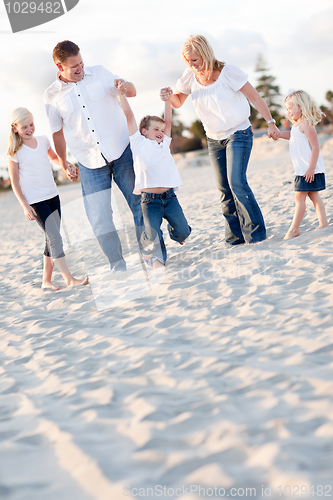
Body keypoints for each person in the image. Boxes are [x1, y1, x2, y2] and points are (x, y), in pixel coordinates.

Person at [165, 35, 280, 245]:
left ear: (206, 55)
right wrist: (167, 95)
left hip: (239, 133)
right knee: (224, 189)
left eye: (195, 60)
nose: (192, 65)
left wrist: (270, 122)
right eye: (188, 61)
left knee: (237, 182)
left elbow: (254, 97)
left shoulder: (229, 72)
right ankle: (235, 238)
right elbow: (177, 102)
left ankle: (256, 234)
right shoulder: (190, 76)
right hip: (214, 139)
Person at [44, 40, 143, 272]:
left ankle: (152, 254)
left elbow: (133, 91)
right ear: (59, 67)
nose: (80, 69)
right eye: (74, 67)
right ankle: (117, 265)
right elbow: (57, 133)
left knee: (139, 204)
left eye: (81, 63)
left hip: (122, 150)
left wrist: (124, 85)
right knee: (99, 218)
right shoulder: (51, 96)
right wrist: (62, 162)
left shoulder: (99, 73)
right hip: (89, 163)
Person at [7, 107, 89, 290]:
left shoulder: (43, 140)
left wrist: (67, 166)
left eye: (31, 125)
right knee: (55, 237)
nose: (29, 129)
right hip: (36, 202)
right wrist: (24, 205)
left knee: (50, 239)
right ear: (15, 128)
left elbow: (55, 158)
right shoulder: (14, 152)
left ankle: (46, 281)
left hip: (53, 196)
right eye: (24, 127)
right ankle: (69, 279)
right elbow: (14, 182)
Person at [116, 83, 191, 268]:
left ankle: (175, 234)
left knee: (183, 232)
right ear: (144, 132)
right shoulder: (137, 143)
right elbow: (129, 115)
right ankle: (153, 255)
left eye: (162, 130)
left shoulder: (164, 143)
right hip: (150, 201)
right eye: (156, 129)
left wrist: (166, 101)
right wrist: (122, 95)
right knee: (152, 233)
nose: (160, 132)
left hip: (170, 197)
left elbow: (169, 122)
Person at [275, 90, 328, 239]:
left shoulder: (307, 126)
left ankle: (294, 230)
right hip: (302, 170)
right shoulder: (297, 126)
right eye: (287, 109)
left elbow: (316, 147)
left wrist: (311, 168)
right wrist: (278, 134)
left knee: (299, 197)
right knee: (313, 195)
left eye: (291, 108)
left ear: (302, 107)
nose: (288, 112)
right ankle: (323, 223)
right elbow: (292, 136)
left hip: (308, 169)